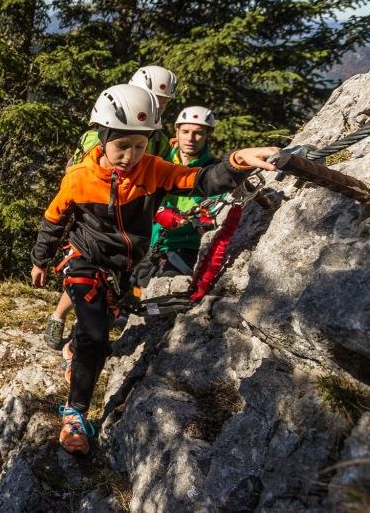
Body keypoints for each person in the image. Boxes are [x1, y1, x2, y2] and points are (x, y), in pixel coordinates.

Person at [30, 84, 279, 455]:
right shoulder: (79, 178)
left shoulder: (153, 169)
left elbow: (199, 181)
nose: (131, 156)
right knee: (97, 333)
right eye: (122, 146)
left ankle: (78, 354)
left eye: (140, 146)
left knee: (97, 325)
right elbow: (53, 220)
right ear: (103, 138)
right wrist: (40, 259)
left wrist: (236, 162)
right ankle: (75, 414)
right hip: (84, 258)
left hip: (127, 266)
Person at [45, 65, 179, 350]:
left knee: (112, 279)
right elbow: (82, 173)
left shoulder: (159, 137)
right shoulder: (103, 133)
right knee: (90, 271)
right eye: (153, 97)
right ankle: (61, 318)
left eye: (164, 101)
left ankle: (87, 334)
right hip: (98, 211)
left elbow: (164, 173)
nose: (157, 105)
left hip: (134, 213)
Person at [147, 106, 220, 275]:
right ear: (177, 131)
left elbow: (215, 209)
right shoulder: (160, 161)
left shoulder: (213, 171)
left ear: (208, 134)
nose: (190, 138)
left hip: (184, 249)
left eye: (198, 133)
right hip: (147, 243)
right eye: (185, 131)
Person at [67, 65, 178, 168]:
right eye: (149, 99)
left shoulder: (160, 141)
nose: (156, 106)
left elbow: (167, 174)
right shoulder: (97, 139)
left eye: (163, 102)